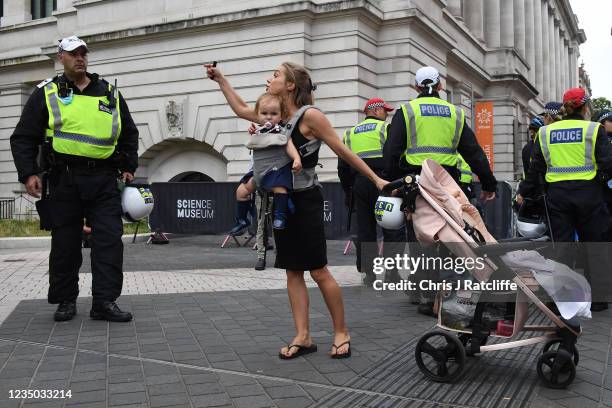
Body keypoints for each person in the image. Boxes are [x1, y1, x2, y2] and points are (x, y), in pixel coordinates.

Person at [205, 61, 387, 359]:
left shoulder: (309, 116)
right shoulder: (273, 113)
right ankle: (303, 336)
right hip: (280, 202)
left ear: (290, 85)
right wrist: (221, 79)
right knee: (292, 271)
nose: (269, 78)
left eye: (275, 75)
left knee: (318, 270)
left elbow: (343, 151)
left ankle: (341, 332)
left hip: (305, 200)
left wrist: (376, 179)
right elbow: (240, 108)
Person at [10, 36, 138, 322]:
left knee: (109, 242)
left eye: (83, 53)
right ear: (61, 58)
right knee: (65, 244)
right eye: (73, 54)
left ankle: (104, 302)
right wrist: (29, 172)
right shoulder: (47, 92)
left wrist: (129, 164)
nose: (80, 58)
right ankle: (65, 300)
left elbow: (128, 132)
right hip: (63, 179)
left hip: (104, 179)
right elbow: (23, 136)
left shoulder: (109, 93)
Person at [383, 66, 497, 316]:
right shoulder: (454, 113)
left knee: (420, 238)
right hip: (446, 184)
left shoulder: (407, 111)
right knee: (446, 237)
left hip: (414, 184)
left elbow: (391, 151)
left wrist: (390, 183)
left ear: (416, 87)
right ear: (441, 87)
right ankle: (445, 295)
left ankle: (424, 295)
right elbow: (474, 152)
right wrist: (489, 184)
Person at [518, 88, 612, 312]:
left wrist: (525, 192)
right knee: (594, 245)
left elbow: (535, 169)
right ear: (586, 107)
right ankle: (597, 298)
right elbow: (607, 164)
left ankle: (561, 297)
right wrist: (601, 181)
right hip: (589, 194)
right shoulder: (593, 129)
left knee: (561, 246)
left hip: (557, 195)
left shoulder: (545, 133)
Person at [338, 98, 404, 285]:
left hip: (359, 184)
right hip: (384, 184)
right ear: (375, 111)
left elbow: (342, 167)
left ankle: (370, 274)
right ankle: (392, 274)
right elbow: (395, 156)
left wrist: (348, 191)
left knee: (365, 230)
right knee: (392, 229)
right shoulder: (386, 129)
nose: (387, 114)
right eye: (385, 110)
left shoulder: (349, 134)